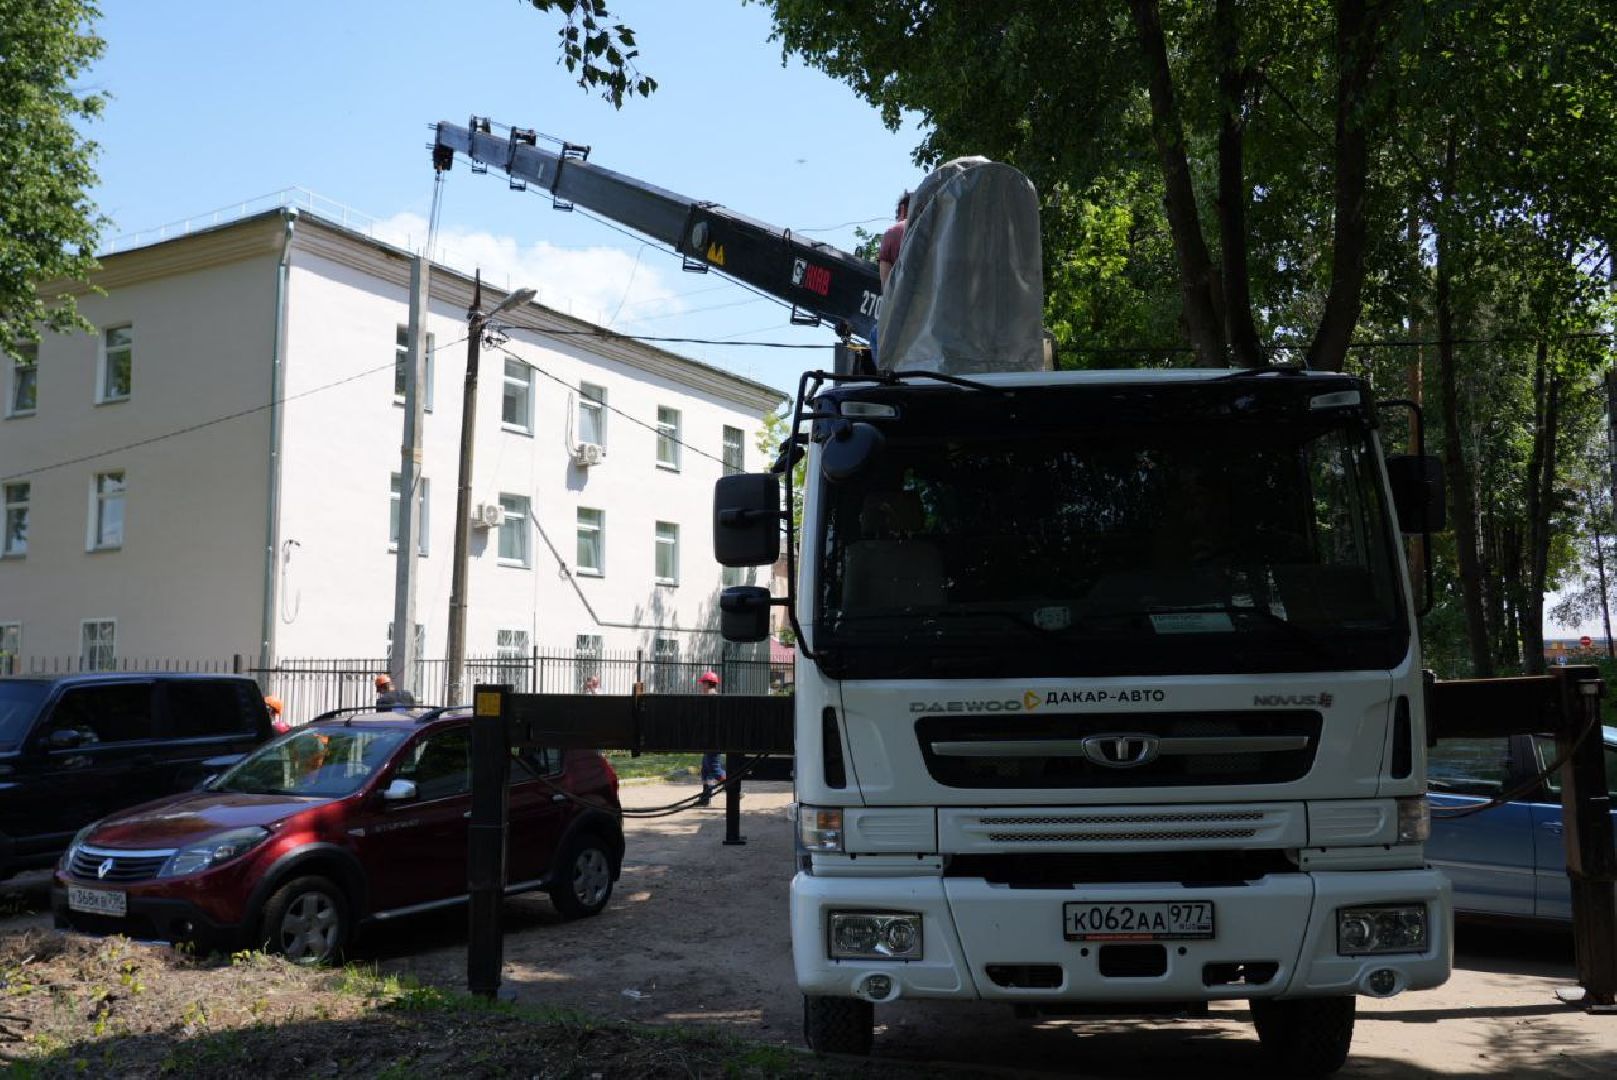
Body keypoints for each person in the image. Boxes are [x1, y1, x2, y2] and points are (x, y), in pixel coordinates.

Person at [696, 670, 726, 805]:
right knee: (706, 770)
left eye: (703, 683)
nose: (702, 686)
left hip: (713, 741)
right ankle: (705, 798)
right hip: (709, 740)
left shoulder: (710, 699)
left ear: (708, 684)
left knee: (714, 769)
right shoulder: (714, 699)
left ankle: (733, 789)